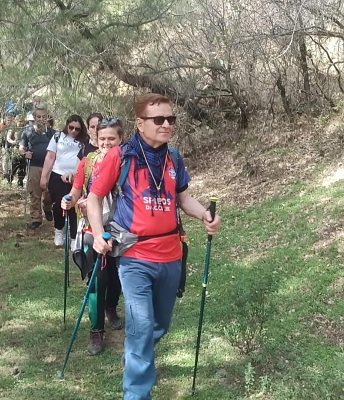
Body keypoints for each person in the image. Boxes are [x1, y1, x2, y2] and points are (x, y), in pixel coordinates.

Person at [86, 93, 221, 400]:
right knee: (142, 326)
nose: (166, 125)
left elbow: (184, 198)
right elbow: (94, 197)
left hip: (171, 255)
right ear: (140, 123)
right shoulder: (119, 156)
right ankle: (137, 392)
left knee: (158, 325)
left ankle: (134, 356)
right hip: (134, 256)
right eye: (158, 119)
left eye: (170, 119)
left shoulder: (173, 158)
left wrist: (205, 215)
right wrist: (97, 233)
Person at [61, 117, 124, 355]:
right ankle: (96, 331)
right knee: (97, 281)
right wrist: (69, 201)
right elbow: (76, 191)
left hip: (120, 230)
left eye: (112, 139)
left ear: (120, 139)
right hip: (90, 229)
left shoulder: (127, 163)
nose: (106, 143)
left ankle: (111, 308)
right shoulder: (87, 162)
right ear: (96, 139)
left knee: (117, 278)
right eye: (102, 139)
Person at [40, 114, 88, 246]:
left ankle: (73, 238)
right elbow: (50, 157)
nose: (73, 131)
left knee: (73, 206)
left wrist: (75, 174)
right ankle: (58, 230)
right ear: (67, 125)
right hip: (57, 175)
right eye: (71, 127)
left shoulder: (84, 141)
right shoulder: (57, 137)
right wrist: (44, 176)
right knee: (59, 205)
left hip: (75, 176)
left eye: (77, 129)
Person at [19, 103, 55, 229]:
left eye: (43, 117)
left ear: (47, 117)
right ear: (34, 117)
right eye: (38, 117)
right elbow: (21, 148)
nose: (41, 119)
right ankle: (36, 219)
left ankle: (47, 207)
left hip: (50, 167)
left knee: (50, 192)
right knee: (34, 193)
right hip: (34, 165)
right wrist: (25, 154)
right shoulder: (28, 131)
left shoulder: (53, 133)